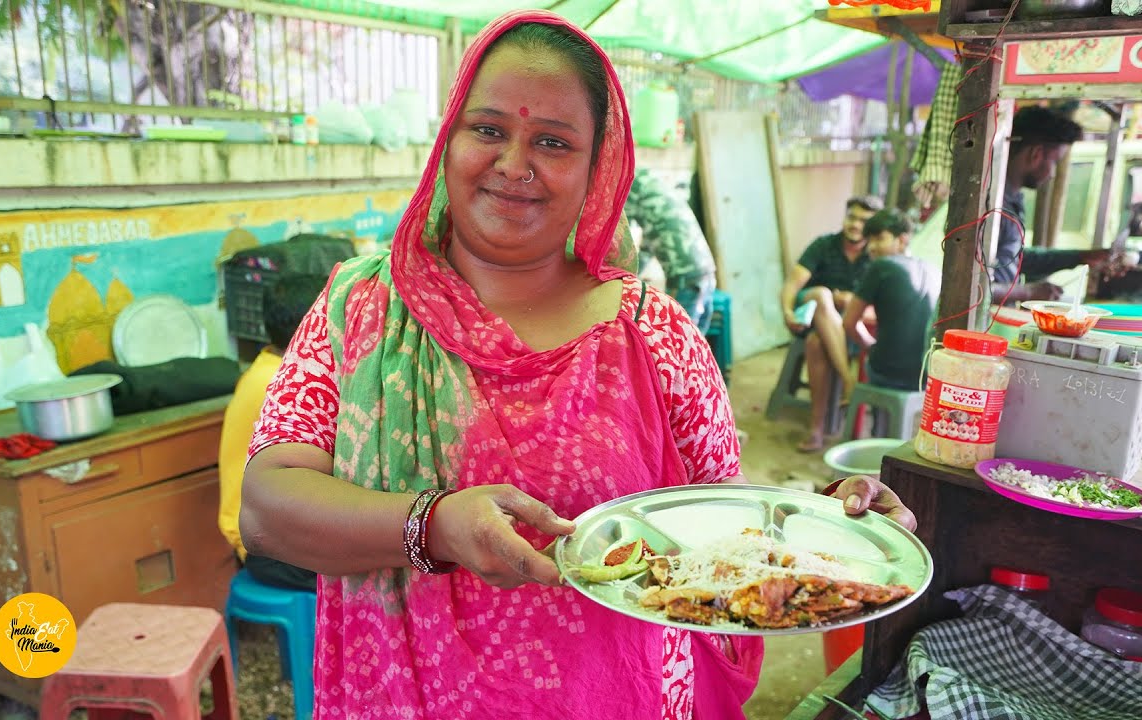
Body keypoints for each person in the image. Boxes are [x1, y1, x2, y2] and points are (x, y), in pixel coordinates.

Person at [239, 11, 917, 719]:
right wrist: (434, 525)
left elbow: (718, 529)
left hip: (616, 697)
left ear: (598, 168)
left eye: (553, 142)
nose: (513, 164)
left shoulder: (655, 334)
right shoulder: (363, 308)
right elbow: (267, 510)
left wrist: (836, 534)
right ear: (448, 140)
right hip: (405, 700)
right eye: (489, 129)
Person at [217, 273, 325, 592]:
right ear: (314, 327)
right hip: (265, 548)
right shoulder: (285, 384)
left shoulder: (266, 366)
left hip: (260, 535)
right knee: (377, 571)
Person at [778, 195, 883, 452]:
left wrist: (854, 302)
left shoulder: (875, 256)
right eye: (852, 217)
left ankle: (816, 430)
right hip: (813, 314)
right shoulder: (824, 245)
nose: (855, 225)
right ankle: (849, 383)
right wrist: (787, 312)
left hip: (851, 329)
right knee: (822, 295)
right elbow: (793, 283)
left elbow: (881, 304)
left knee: (816, 344)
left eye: (863, 221)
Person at [992, 106, 1123, 303]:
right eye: (1055, 161)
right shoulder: (990, 204)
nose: (1053, 174)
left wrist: (1080, 257)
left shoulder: (1013, 199)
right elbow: (968, 285)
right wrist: (1027, 293)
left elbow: (1015, 258)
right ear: (1036, 154)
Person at [842, 210, 940, 392]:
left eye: (879, 239)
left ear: (902, 240)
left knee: (864, 358)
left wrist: (870, 346)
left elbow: (849, 323)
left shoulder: (881, 266)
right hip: (927, 375)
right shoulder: (934, 270)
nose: (871, 247)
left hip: (889, 374)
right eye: (869, 240)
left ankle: (861, 410)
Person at [625, 167, 718, 332]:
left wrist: (627, 278)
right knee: (697, 344)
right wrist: (634, 275)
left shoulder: (630, 184)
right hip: (706, 269)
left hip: (685, 276)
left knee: (678, 341)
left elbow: (621, 235)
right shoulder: (653, 184)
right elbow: (649, 240)